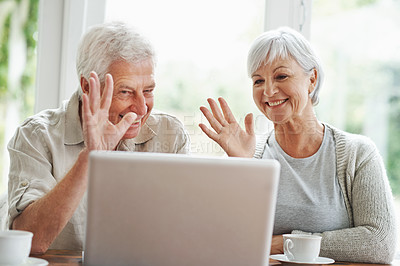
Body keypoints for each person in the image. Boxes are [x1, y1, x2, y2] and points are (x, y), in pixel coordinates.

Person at [199, 27, 397, 264]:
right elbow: (221, 241)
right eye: (258, 80)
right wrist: (242, 168)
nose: (269, 91)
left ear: (311, 79)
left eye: (281, 76)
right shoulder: (249, 155)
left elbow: (380, 243)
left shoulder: (358, 153)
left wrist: (285, 242)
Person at [7, 22, 190, 254]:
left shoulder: (170, 134)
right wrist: (89, 158)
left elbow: (186, 234)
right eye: (125, 92)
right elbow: (30, 242)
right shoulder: (36, 135)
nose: (142, 108)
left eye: (148, 91)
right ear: (86, 86)